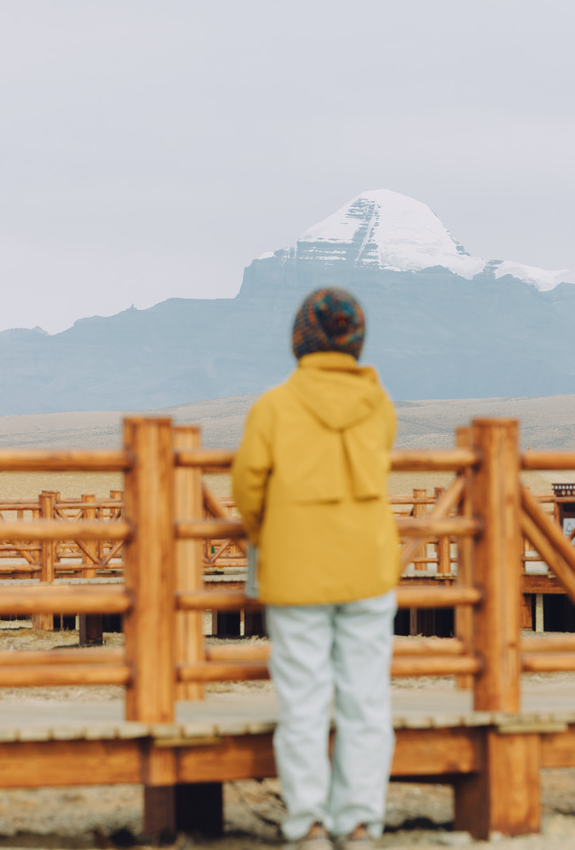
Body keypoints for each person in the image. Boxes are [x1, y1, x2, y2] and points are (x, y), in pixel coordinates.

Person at [231, 287, 399, 849]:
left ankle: (309, 824)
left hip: (297, 572)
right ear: (356, 341)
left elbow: (248, 487)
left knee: (302, 701)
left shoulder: (274, 407)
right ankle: (359, 821)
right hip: (369, 567)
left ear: (300, 339)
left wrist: (270, 533)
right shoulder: (380, 405)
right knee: (366, 700)